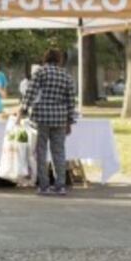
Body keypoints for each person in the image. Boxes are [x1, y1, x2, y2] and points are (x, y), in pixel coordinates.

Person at [18, 48, 77, 195]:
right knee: (59, 152)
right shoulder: (66, 76)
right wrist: (69, 121)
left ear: (45, 59)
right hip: (60, 118)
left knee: (41, 151)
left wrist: (23, 110)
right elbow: (71, 101)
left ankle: (44, 185)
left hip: (41, 117)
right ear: (59, 60)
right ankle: (60, 185)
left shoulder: (40, 72)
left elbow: (30, 92)